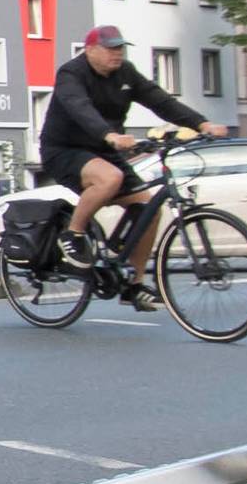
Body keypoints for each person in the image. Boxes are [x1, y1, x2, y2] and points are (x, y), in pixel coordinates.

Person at [39, 26, 228, 310]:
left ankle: (133, 285)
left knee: (149, 209)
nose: (117, 54)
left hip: (106, 150)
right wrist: (110, 134)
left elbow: (160, 100)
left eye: (120, 48)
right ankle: (73, 234)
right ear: (90, 50)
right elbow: (80, 108)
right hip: (65, 150)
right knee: (109, 178)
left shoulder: (125, 73)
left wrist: (201, 124)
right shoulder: (71, 73)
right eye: (110, 48)